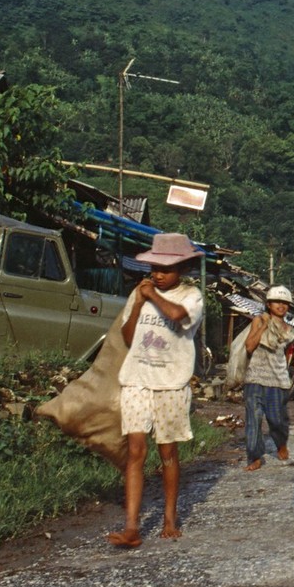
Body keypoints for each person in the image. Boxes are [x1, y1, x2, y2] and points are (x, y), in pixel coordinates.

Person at [107, 233, 205, 549]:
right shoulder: (142, 292)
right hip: (137, 378)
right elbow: (127, 334)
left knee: (167, 453)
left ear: (183, 268)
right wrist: (139, 300)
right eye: (154, 268)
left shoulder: (192, 296)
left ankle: (169, 518)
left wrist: (152, 297)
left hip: (171, 383)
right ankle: (132, 526)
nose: (158, 275)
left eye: (166, 269)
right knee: (135, 451)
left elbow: (178, 317)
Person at [242, 284, 294, 471]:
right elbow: (249, 347)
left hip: (278, 380)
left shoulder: (290, 330)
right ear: (268, 304)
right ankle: (254, 456)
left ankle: (281, 443)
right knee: (254, 420)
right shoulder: (258, 321)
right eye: (276, 302)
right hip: (255, 378)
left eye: (284, 302)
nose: (281, 305)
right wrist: (264, 325)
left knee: (276, 419)